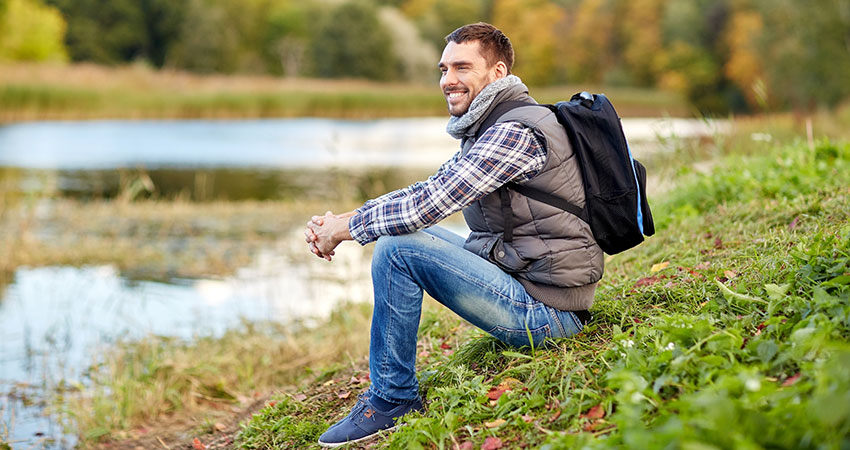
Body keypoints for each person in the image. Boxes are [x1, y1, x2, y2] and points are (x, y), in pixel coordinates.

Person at [305, 22, 603, 448]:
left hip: (550, 314)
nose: (448, 80)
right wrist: (344, 219)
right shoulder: (493, 125)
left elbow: (430, 202)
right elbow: (425, 191)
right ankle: (392, 393)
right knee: (410, 235)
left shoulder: (514, 133)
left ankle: (392, 399)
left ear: (497, 73)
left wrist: (344, 230)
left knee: (397, 249)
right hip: (531, 286)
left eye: (462, 68)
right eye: (443, 69)